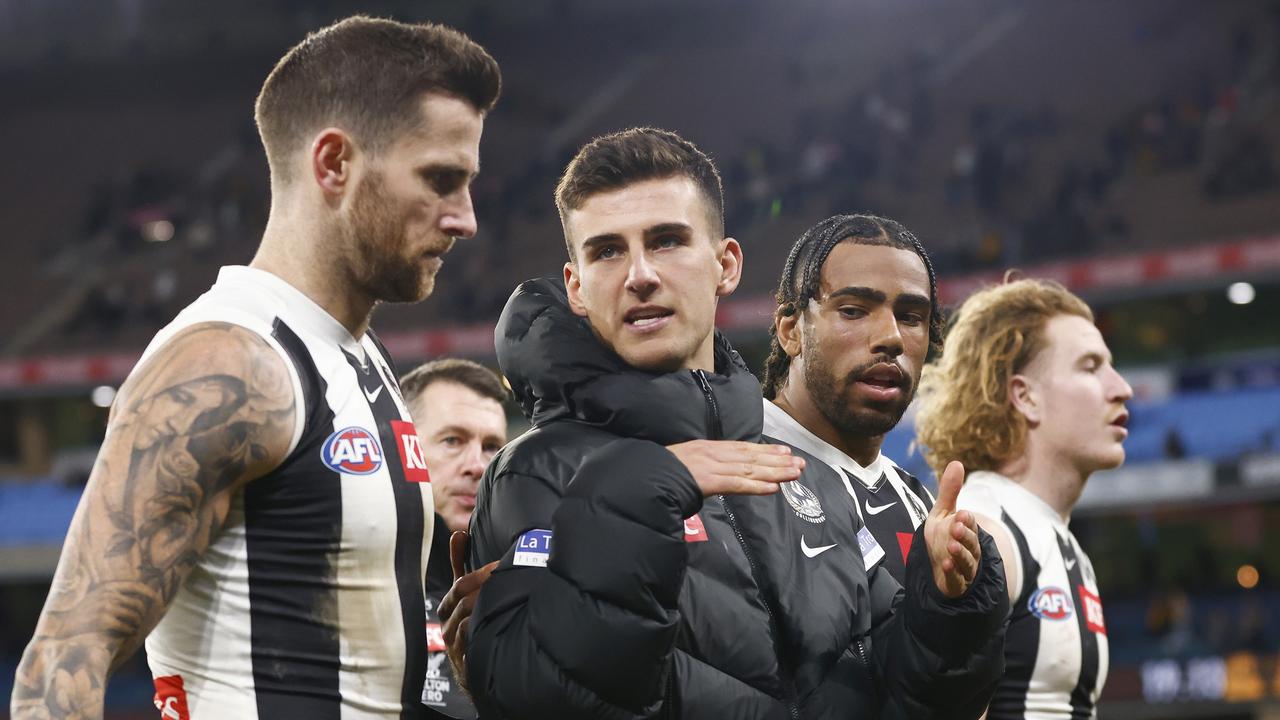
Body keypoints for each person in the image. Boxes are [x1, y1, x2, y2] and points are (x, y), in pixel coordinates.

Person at [12, 16, 500, 719]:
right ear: (333, 164)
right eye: (441, 180)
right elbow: (63, 657)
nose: (466, 218)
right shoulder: (229, 365)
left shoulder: (362, 356)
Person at [464, 127, 1009, 719]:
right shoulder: (536, 472)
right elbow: (553, 698)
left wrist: (945, 611)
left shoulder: (805, 475)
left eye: (667, 241)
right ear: (575, 286)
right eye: (607, 251)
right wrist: (629, 500)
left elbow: (898, 700)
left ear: (726, 266)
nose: (639, 274)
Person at [914, 278, 1132, 719]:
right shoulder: (990, 529)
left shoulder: (1051, 534)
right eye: (1090, 367)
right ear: (1024, 397)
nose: (1121, 387)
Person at [761, 213, 939, 584]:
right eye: (853, 311)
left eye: (910, 317)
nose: (891, 337)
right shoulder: (730, 468)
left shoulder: (922, 507)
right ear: (791, 331)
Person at [400, 358, 510, 719]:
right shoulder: (350, 578)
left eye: (492, 446)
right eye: (452, 440)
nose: (477, 465)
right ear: (402, 447)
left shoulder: (526, 584)